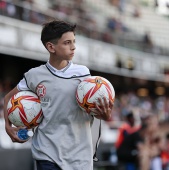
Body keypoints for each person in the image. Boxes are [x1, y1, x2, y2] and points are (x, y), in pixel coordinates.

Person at [3, 20, 114, 170]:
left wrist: (105, 116)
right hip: (46, 154)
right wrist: (8, 127)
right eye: (67, 42)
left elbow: (95, 112)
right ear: (51, 47)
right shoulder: (34, 75)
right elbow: (8, 98)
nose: (73, 47)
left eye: (74, 41)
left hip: (79, 157)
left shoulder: (83, 74)